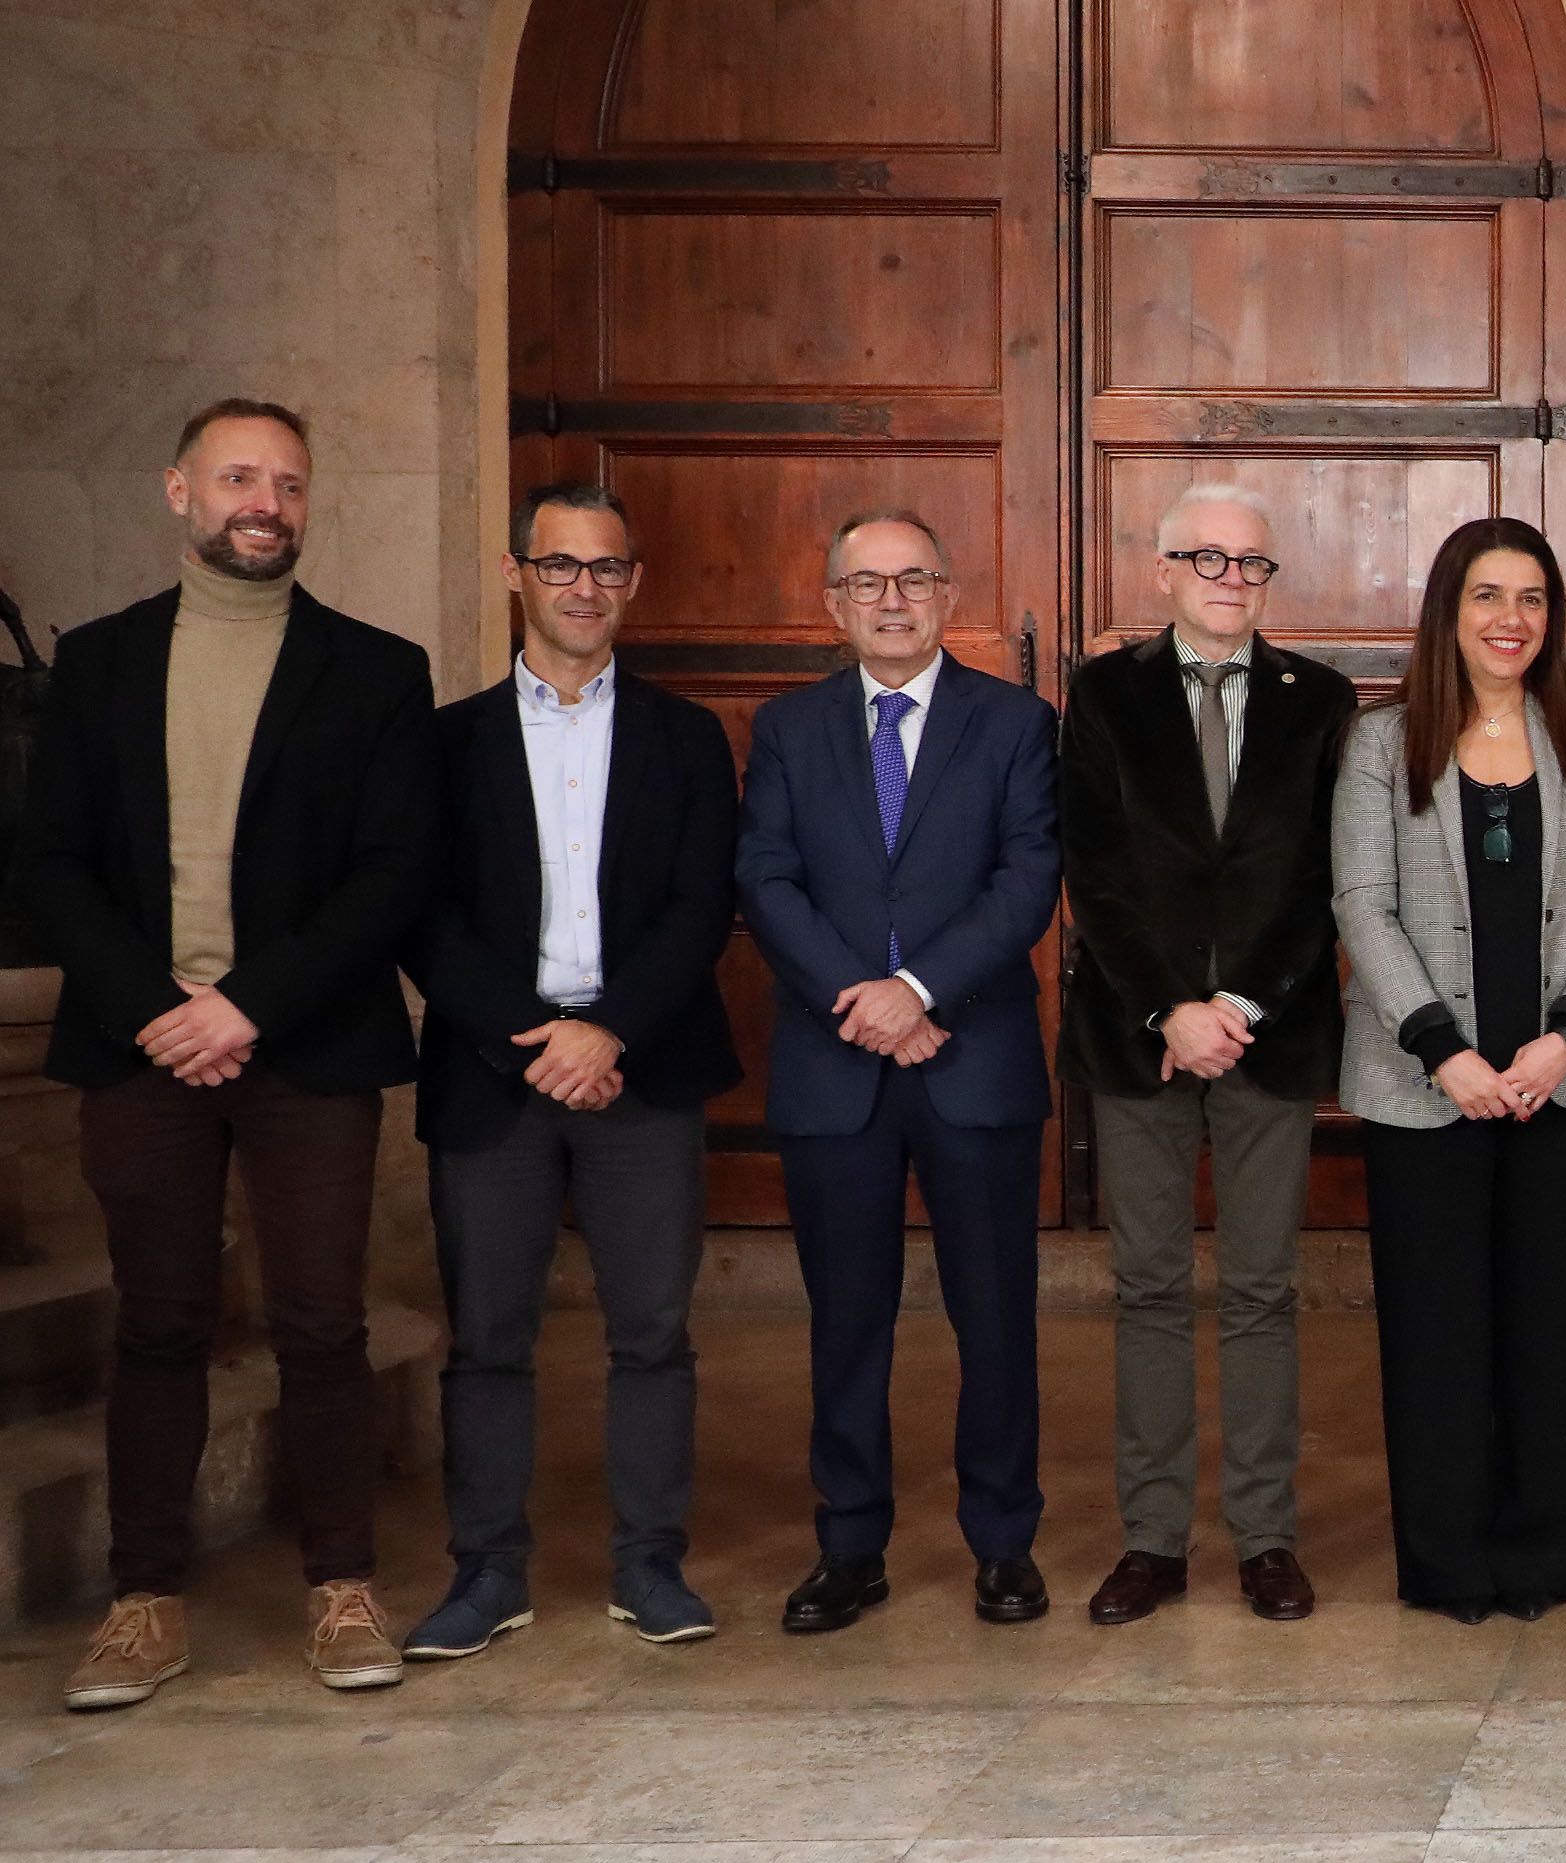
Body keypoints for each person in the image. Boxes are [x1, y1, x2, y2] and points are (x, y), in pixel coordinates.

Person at [25, 400, 438, 1709]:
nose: (266, 500)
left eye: (289, 482)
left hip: (304, 1048)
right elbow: (52, 863)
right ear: (180, 492)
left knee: (320, 1322)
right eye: (240, 478)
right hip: (140, 1044)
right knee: (161, 1325)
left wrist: (245, 1003)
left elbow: (391, 875)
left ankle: (343, 1589)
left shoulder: (377, 671)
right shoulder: (92, 665)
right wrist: (158, 1004)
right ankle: (145, 1605)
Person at [402, 480, 739, 1662]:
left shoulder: (687, 734)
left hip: (640, 1072)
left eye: (606, 568)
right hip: (496, 1077)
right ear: (517, 574)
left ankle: (650, 1565)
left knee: (652, 1333)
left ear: (632, 584)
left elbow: (704, 907)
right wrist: (530, 1039)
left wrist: (607, 1032)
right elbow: (422, 915)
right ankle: (486, 1573)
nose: (584, 589)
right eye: (561, 566)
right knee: (488, 1337)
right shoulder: (445, 741)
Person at [735, 508, 1065, 1635]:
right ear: (833, 604)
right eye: (866, 584)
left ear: (947, 595)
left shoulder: (1017, 722)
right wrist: (864, 1004)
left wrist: (916, 992)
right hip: (837, 1069)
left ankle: (1005, 1543)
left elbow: (1026, 884)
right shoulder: (787, 729)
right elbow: (767, 882)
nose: (890, 601)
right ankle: (850, 1545)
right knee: (846, 1319)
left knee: (995, 1315)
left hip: (973, 1059)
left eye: (913, 581)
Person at [1332, 517, 1566, 1624]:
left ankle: (1548, 1555)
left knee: (1556, 1328)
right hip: (1425, 1085)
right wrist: (1444, 1054)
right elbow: (1362, 904)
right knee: (1436, 1330)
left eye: (1532, 599)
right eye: (1487, 597)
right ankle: (1449, 1562)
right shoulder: (1382, 741)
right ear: (1448, 614)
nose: (1512, 620)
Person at [1062, 486, 1354, 1630]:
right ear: (1164, 570)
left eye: (1253, 564)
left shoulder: (1321, 703)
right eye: (1209, 559)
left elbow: (1329, 879)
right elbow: (1094, 870)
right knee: (1145, 1289)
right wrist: (1172, 1010)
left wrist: (1234, 1002)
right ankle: (1151, 1539)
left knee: (1264, 1292)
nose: (1232, 579)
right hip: (1139, 1039)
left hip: (1271, 1034)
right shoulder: (1105, 693)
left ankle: (1267, 1537)